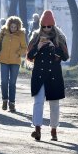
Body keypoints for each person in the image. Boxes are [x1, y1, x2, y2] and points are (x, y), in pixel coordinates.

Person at [27, 10, 69, 141]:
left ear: (53, 25)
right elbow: (29, 56)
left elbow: (66, 56)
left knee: (54, 104)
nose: (46, 29)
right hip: (39, 74)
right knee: (38, 102)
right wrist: (38, 47)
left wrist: (53, 47)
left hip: (54, 75)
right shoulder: (35, 36)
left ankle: (54, 129)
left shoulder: (60, 37)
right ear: (40, 25)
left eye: (49, 26)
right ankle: (37, 129)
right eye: (44, 26)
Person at [0, 16, 27, 112]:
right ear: (8, 25)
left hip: (15, 62)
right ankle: (4, 100)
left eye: (15, 27)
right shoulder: (4, 31)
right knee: (4, 81)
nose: (13, 28)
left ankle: (12, 103)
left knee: (12, 83)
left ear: (18, 27)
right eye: (11, 26)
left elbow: (24, 47)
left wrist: (18, 53)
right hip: (3, 60)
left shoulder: (21, 34)